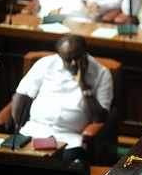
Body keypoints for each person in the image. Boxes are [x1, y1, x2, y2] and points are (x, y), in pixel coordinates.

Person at [11, 34, 113, 162]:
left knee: (62, 167)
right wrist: (18, 126)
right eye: (68, 59)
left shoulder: (102, 73)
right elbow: (22, 96)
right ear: (59, 56)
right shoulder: (44, 64)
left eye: (77, 58)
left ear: (85, 53)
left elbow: (100, 118)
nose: (74, 63)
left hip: (69, 138)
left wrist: (84, 86)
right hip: (34, 131)